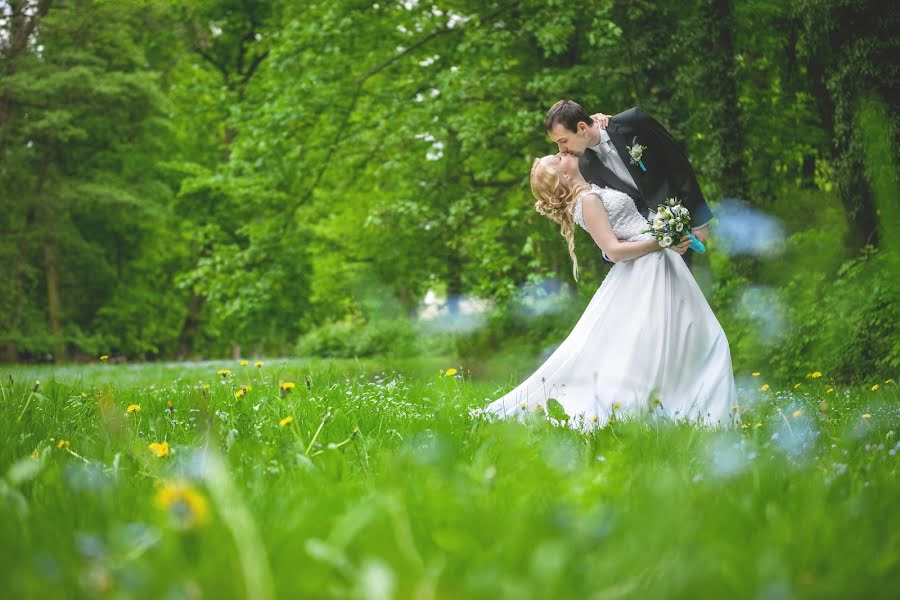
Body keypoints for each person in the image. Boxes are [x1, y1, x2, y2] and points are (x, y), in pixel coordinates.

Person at [482, 150, 737, 428]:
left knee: (692, 335)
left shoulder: (593, 190)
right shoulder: (588, 201)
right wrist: (661, 239)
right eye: (557, 158)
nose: (561, 152)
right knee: (686, 338)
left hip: (658, 262)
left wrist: (663, 234)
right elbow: (614, 250)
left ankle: (698, 408)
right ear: (564, 175)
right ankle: (692, 410)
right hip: (646, 269)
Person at [545, 100, 711, 267]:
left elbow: (677, 163)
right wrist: (611, 250)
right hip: (641, 250)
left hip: (678, 226)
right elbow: (600, 215)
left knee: (683, 289)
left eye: (563, 140)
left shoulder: (634, 122)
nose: (561, 149)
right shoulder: (583, 166)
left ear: (581, 128)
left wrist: (699, 220)